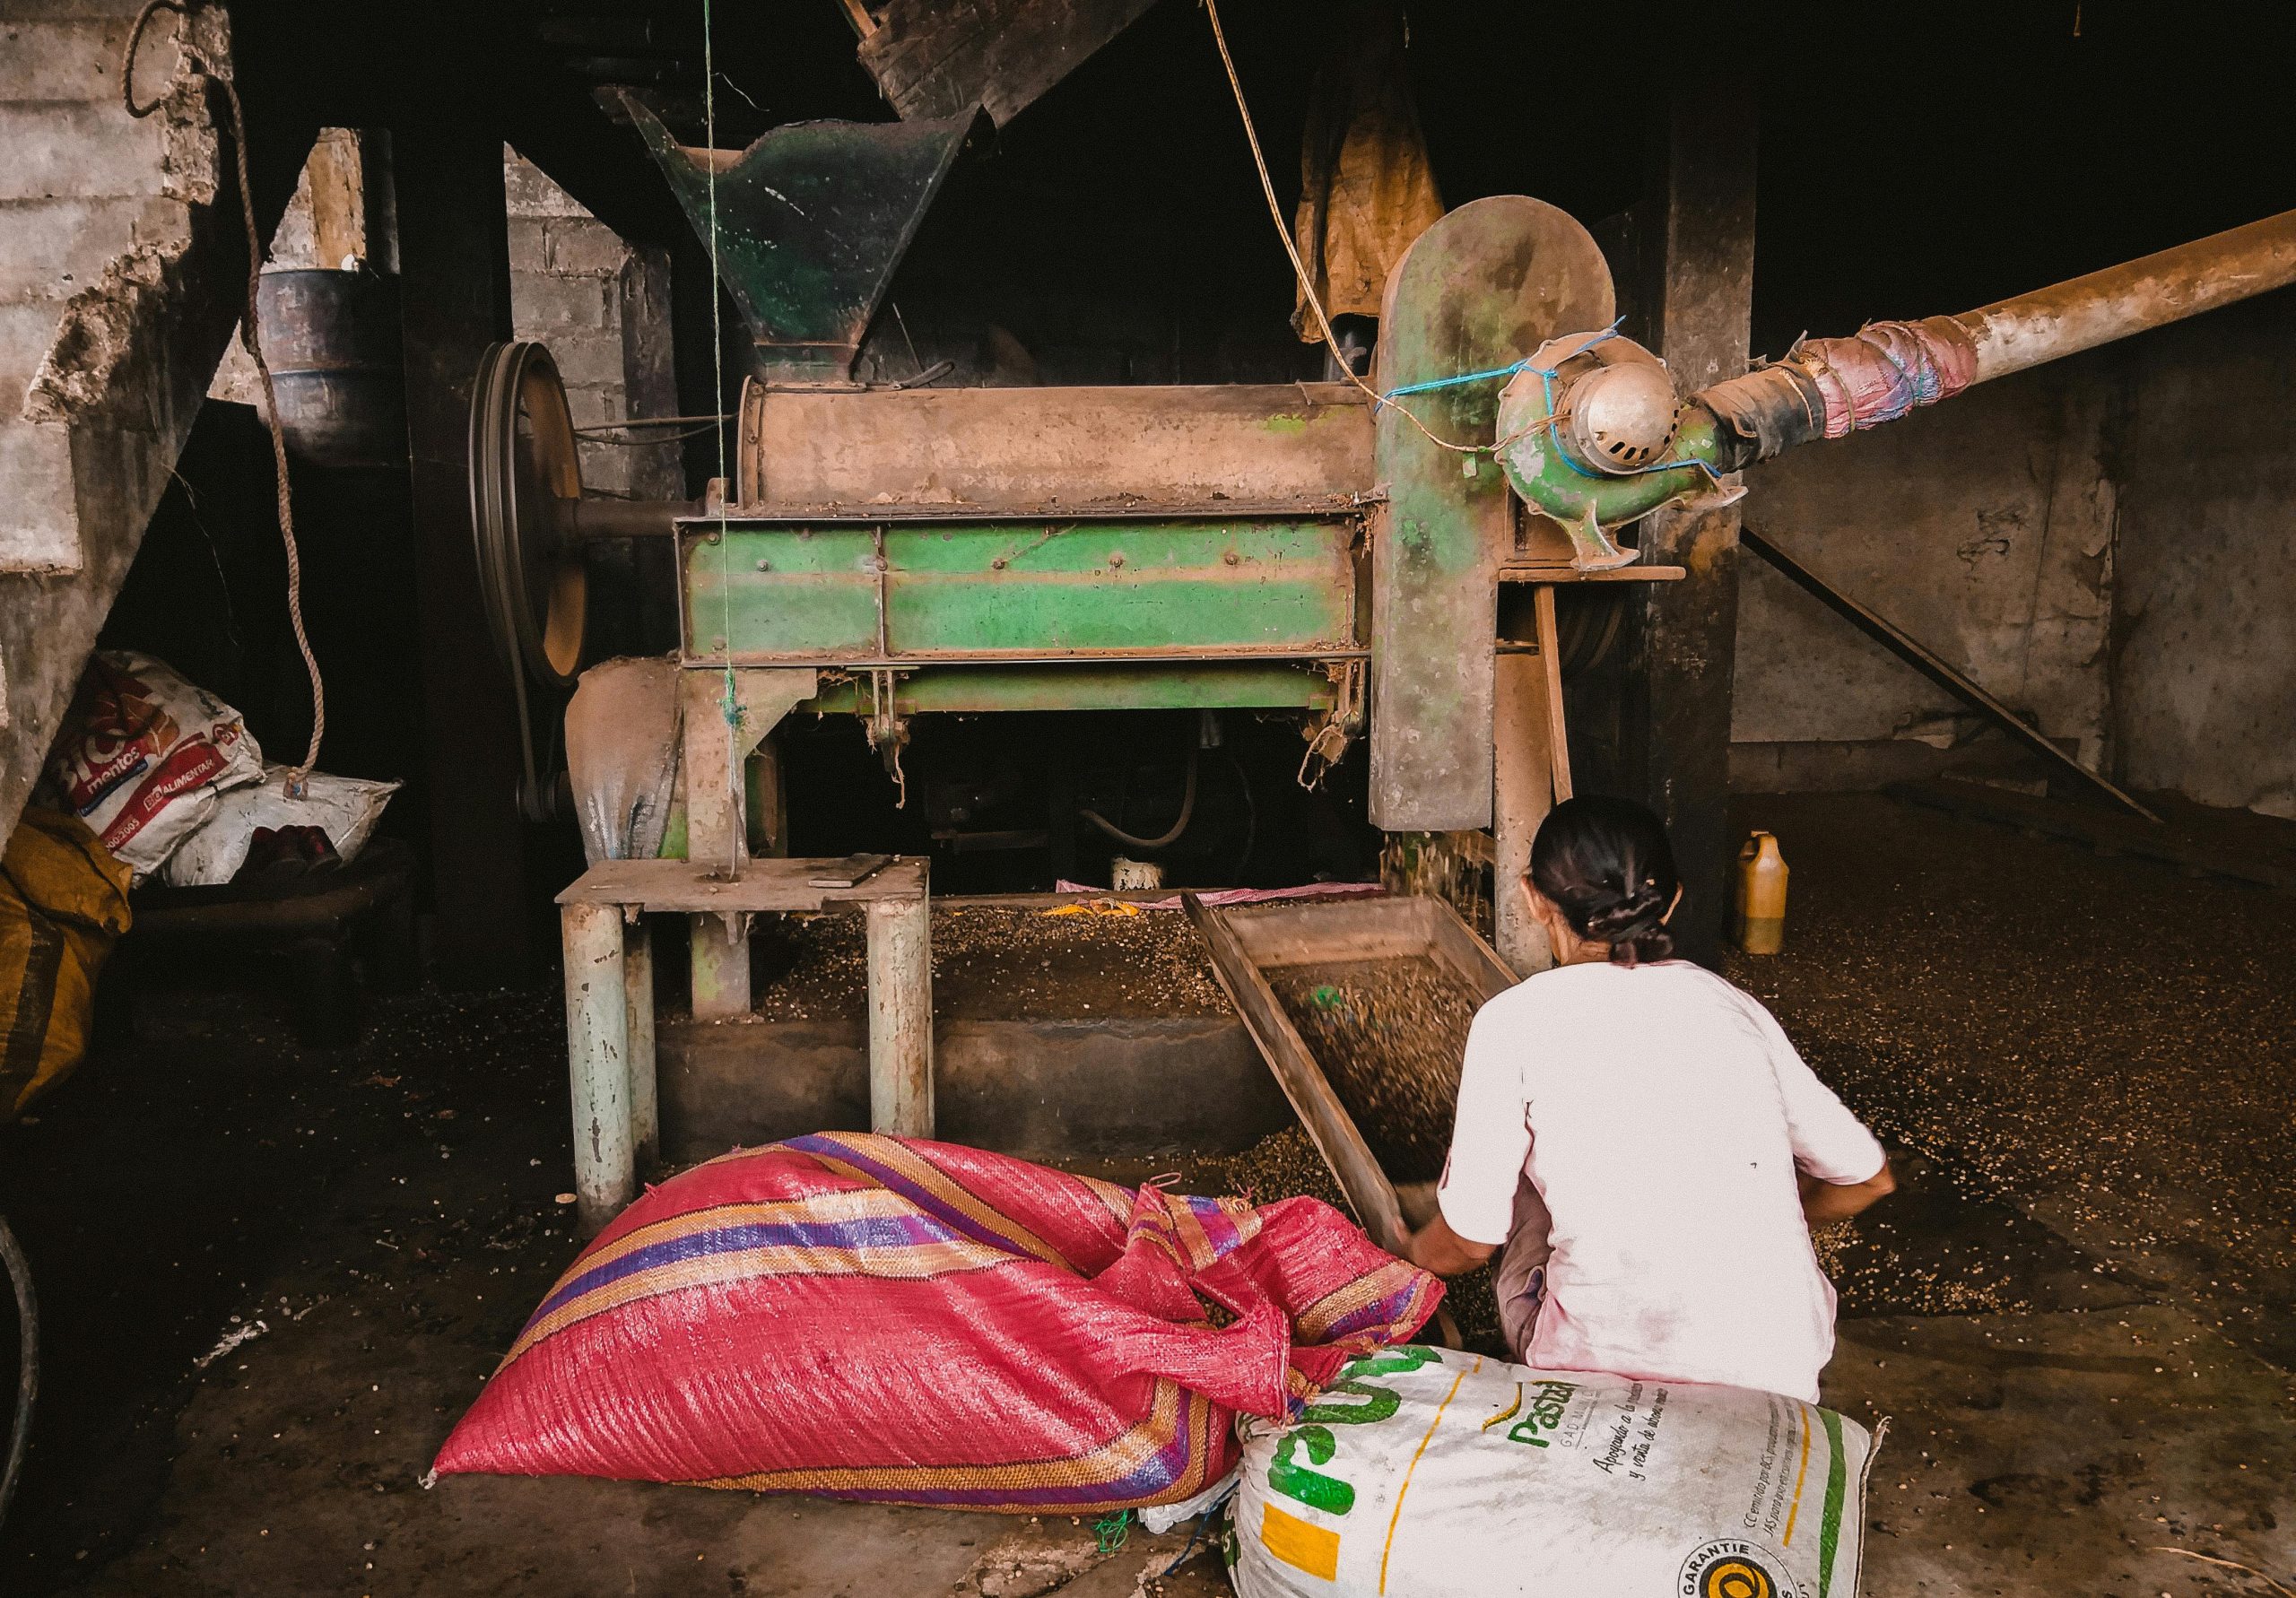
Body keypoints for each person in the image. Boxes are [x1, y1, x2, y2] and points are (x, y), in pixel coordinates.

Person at [1405, 795, 1894, 1403]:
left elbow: (1471, 1239)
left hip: (1599, 1364)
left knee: (1524, 1184)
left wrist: (1402, 1257)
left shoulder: (1515, 1021)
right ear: (1676, 900)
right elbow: (1868, 1179)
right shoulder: (1733, 1008)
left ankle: (1541, 1371)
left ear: (1533, 898)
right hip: (1781, 1363)